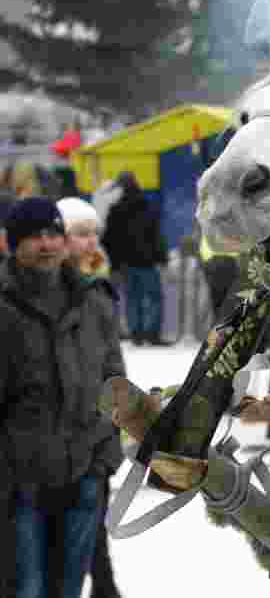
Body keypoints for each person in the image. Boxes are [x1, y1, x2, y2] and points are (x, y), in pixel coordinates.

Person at [0, 197, 126, 598]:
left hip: (84, 472)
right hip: (20, 482)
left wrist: (107, 454)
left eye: (53, 234)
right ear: (11, 243)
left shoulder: (94, 301)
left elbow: (114, 383)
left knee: (68, 589)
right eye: (34, 236)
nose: (46, 244)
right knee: (26, 588)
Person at [56, 196, 122, 598]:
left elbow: (111, 364)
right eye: (81, 234)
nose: (91, 242)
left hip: (96, 430)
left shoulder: (99, 288)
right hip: (56, 436)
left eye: (94, 233)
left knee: (92, 517)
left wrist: (120, 420)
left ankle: (104, 585)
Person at [102, 170, 170, 345]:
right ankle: (153, 334)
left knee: (132, 298)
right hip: (148, 262)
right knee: (154, 298)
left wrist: (114, 264)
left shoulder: (115, 210)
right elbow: (156, 235)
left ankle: (136, 334)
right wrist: (162, 258)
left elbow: (109, 240)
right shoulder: (147, 206)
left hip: (126, 264)